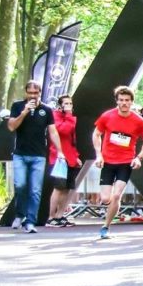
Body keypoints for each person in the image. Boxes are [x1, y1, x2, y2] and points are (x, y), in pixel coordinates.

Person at [94, 86, 143, 239]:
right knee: (106, 198)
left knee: (117, 195)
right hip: (107, 161)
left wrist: (139, 157)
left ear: (132, 102)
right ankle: (108, 213)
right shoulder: (107, 116)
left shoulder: (138, 121)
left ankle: (106, 226)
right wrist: (98, 155)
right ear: (117, 101)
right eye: (121, 100)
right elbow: (96, 134)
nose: (124, 103)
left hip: (125, 162)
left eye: (127, 100)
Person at [8, 81, 64, 232]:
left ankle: (30, 221)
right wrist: (24, 112)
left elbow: (53, 132)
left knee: (35, 190)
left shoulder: (46, 110)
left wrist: (60, 151)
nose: (33, 96)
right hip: (20, 154)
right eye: (30, 93)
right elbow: (12, 126)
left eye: (36, 93)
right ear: (26, 93)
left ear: (40, 93)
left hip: (39, 156)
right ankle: (20, 214)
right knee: (20, 185)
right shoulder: (18, 106)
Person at [47, 95, 82, 227]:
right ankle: (51, 217)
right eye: (66, 103)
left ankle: (60, 215)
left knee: (67, 188)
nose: (69, 106)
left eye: (70, 103)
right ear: (60, 105)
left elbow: (72, 139)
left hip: (70, 158)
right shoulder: (55, 116)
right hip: (58, 158)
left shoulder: (70, 118)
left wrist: (75, 156)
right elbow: (63, 131)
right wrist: (68, 115)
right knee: (58, 188)